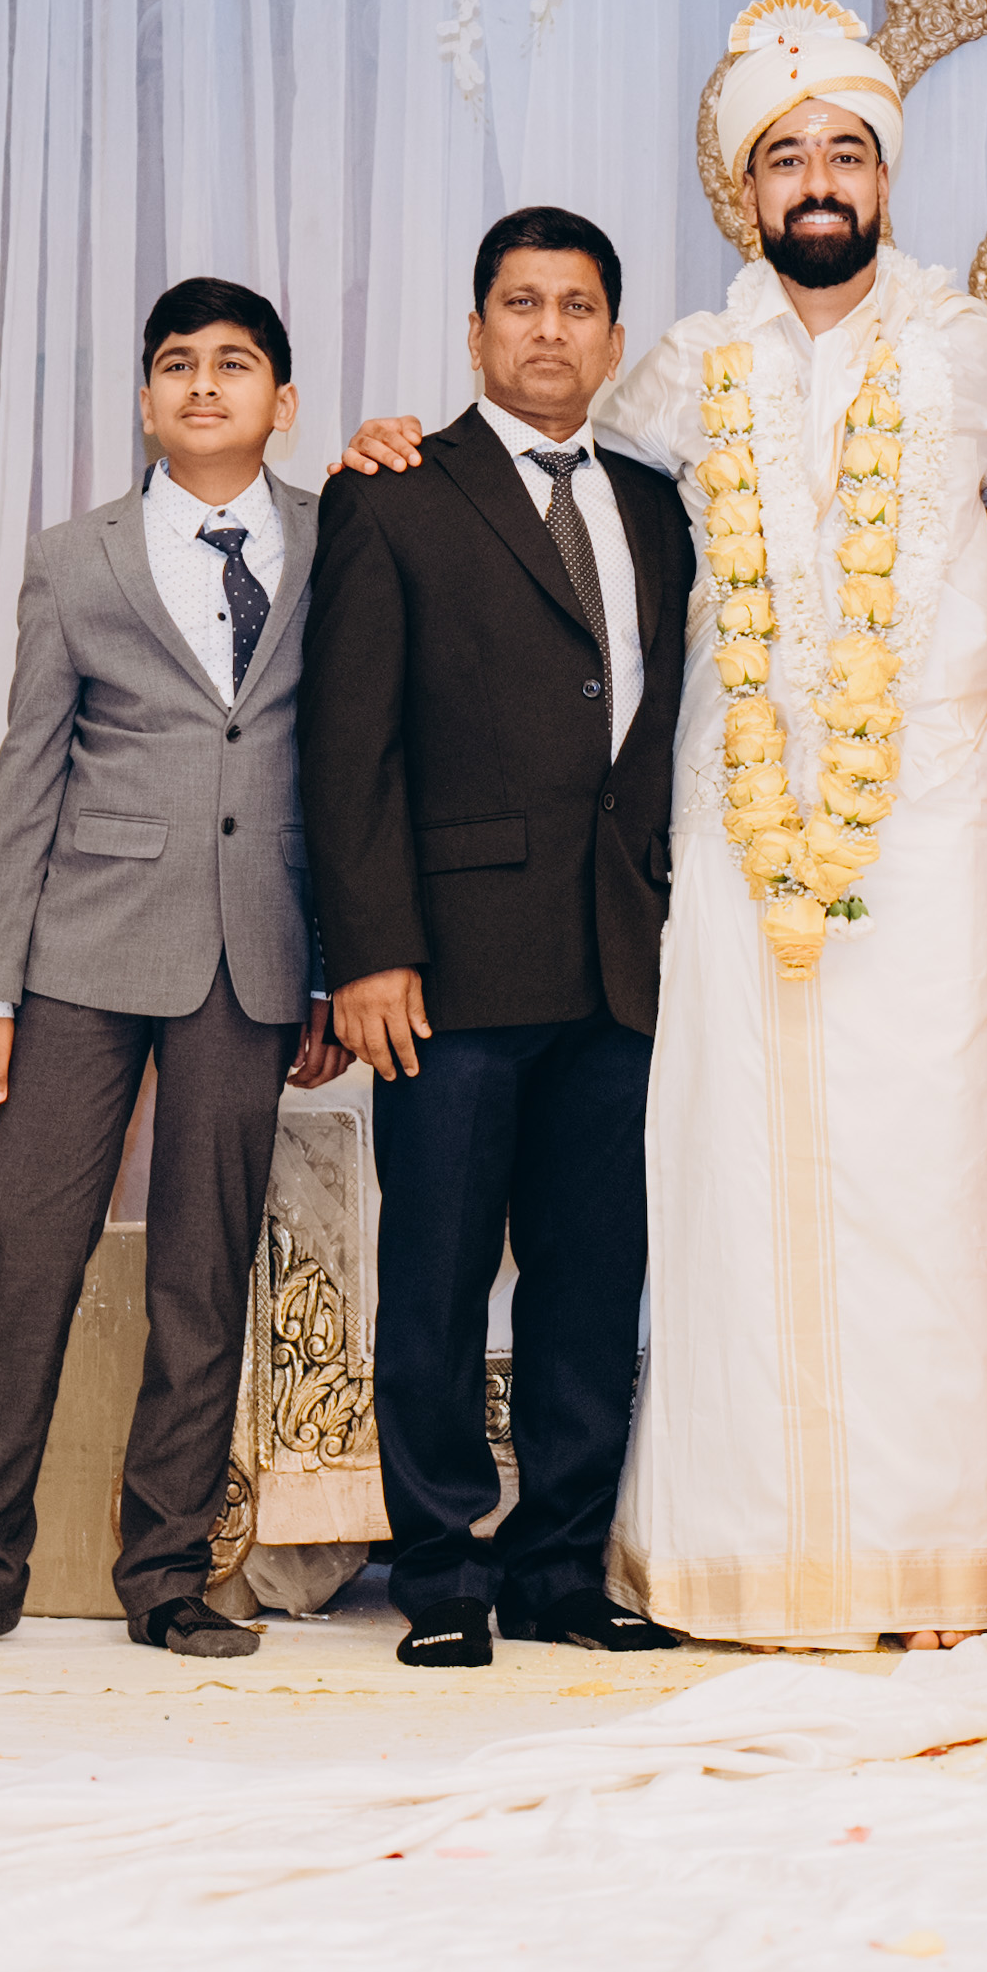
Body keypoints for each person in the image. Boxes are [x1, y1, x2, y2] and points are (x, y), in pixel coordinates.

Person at [348, 0, 987, 1643]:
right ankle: (734, 1552)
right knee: (727, 1186)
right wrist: (393, 441)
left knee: (929, 1182)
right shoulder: (680, 370)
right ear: (744, 191)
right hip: (727, 856)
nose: (816, 180)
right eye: (783, 156)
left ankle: (933, 1549)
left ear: (884, 178)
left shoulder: (974, 356)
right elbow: (530, 473)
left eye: (844, 153)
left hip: (924, 838)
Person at [0, 279, 342, 1663]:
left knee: (204, 1270)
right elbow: (26, 773)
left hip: (253, 952)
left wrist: (329, 970)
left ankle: (169, 1574)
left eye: (235, 364)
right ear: (145, 400)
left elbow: (347, 769)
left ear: (281, 402)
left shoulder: (339, 542)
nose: (204, 385)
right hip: (83, 946)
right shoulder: (76, 559)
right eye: (177, 365)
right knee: (28, 1257)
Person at [298, 207, 699, 1666]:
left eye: (576, 306)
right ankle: (442, 1572)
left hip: (618, 956)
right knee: (439, 1278)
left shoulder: (657, 505)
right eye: (520, 304)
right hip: (448, 969)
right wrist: (367, 952)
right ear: (474, 332)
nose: (548, 330)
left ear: (612, 336)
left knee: (592, 1282)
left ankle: (558, 1572)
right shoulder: (396, 494)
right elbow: (347, 745)